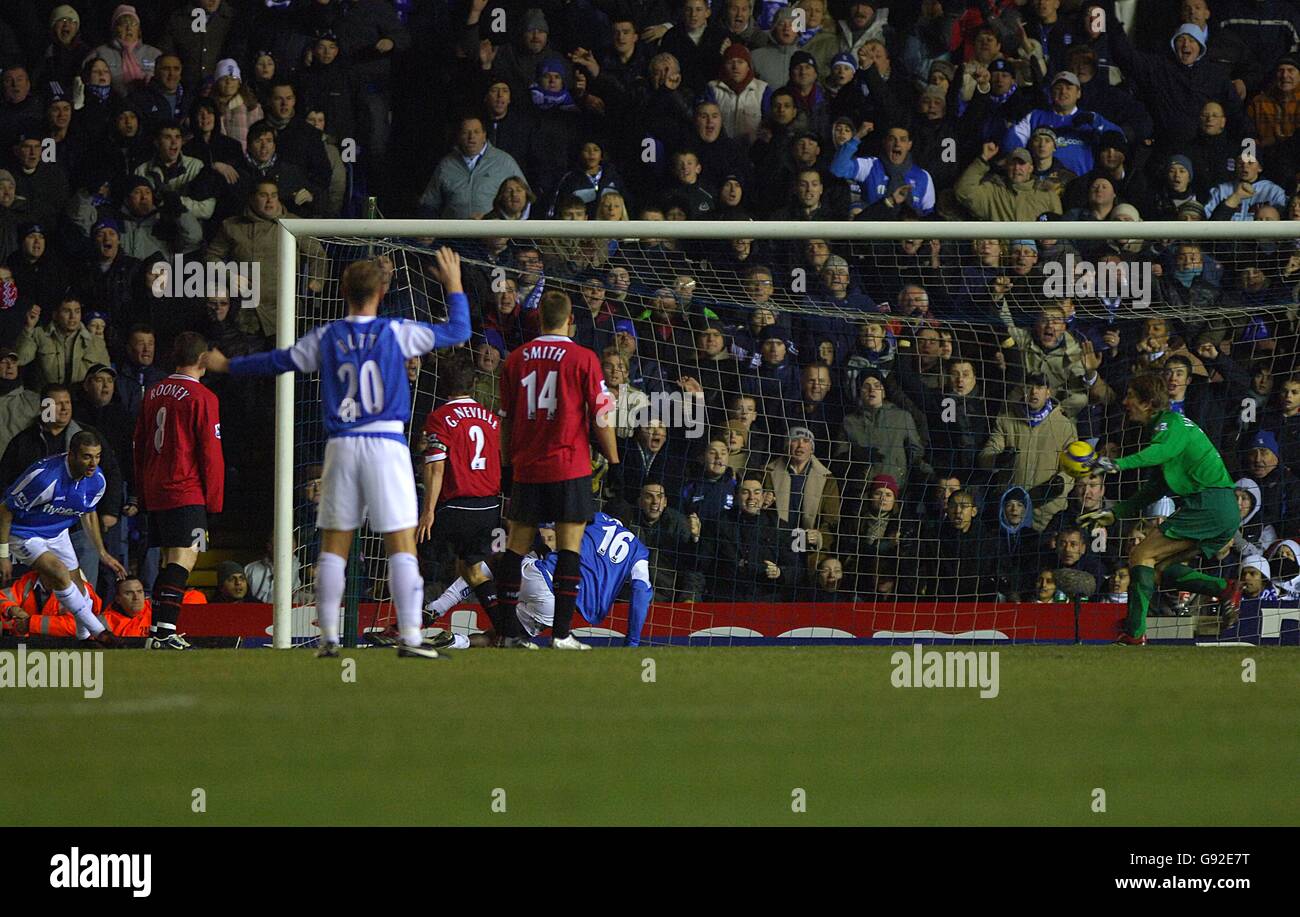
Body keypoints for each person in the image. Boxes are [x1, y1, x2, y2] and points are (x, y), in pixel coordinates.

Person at [208, 251, 471, 659]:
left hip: (342, 446)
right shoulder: (397, 331)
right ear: (382, 292)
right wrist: (453, 283)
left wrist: (228, 365)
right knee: (401, 542)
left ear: (344, 291)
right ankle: (411, 637)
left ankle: (328, 637)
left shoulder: (328, 336)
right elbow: (458, 330)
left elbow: (278, 360)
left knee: (334, 544)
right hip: (386, 443)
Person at [1077, 373, 1241, 645]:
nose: (1126, 402)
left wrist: (1116, 464)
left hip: (1208, 504)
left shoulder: (1170, 423)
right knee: (1156, 568)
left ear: (1148, 402)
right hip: (1220, 508)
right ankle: (1224, 588)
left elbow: (1160, 453)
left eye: (1131, 396)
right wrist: (1114, 514)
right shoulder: (1165, 430)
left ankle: (1134, 631)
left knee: (1141, 554)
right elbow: (1155, 488)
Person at [496, 289, 619, 651]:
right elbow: (601, 416)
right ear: (570, 322)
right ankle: (561, 634)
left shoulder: (516, 359)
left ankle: (509, 632)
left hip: (528, 468)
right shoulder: (583, 358)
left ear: (538, 319)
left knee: (516, 548)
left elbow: (506, 421)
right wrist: (614, 461)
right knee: (569, 547)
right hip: (569, 465)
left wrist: (506, 464)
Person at [425, 512, 651, 648]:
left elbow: (552, 529)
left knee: (498, 562)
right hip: (556, 606)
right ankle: (459, 641)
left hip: (540, 575)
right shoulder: (639, 552)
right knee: (501, 638)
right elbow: (642, 592)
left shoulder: (595, 518)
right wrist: (632, 643)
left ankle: (440, 609)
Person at [132, 332, 225, 650]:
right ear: (201, 359)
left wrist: (143, 491)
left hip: (157, 489)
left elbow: (139, 444)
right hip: (185, 491)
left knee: (170, 560)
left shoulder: (155, 391)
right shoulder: (203, 398)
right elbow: (210, 453)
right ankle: (164, 631)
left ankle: (158, 630)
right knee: (183, 561)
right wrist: (213, 501)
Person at [0, 430, 126, 646]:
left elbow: (87, 512)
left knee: (79, 586)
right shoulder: (43, 477)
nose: (93, 463)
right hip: (25, 533)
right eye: (87, 456)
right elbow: (4, 510)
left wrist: (102, 552)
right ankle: (101, 632)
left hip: (58, 532)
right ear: (71, 454)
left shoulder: (97, 481)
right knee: (59, 572)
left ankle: (83, 638)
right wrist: (3, 555)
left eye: (97, 456)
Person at [416, 352, 509, 645]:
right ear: (474, 384)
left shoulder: (439, 417)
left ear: (444, 384)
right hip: (490, 508)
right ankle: (507, 630)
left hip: (455, 507)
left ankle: (405, 623)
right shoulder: (492, 419)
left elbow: (436, 466)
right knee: (471, 568)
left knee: (409, 549)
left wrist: (428, 511)